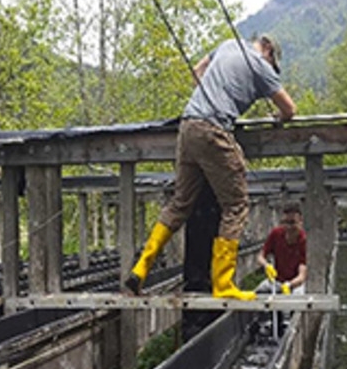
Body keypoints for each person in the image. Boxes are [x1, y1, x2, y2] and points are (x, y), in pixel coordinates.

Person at [124, 34, 297, 300]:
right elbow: (289, 109)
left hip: (188, 125)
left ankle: (140, 269)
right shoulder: (262, 67)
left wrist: (214, 93)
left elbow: (198, 70)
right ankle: (223, 283)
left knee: (180, 203)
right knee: (236, 205)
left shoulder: (228, 45)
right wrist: (275, 116)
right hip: (214, 130)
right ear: (270, 53)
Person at [255, 201, 307, 295]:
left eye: (292, 223)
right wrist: (266, 265)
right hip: (276, 282)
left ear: (300, 222)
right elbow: (260, 256)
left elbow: (302, 276)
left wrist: (289, 285)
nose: (289, 227)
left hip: (295, 284)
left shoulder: (304, 241)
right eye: (285, 222)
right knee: (257, 294)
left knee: (298, 300)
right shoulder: (276, 234)